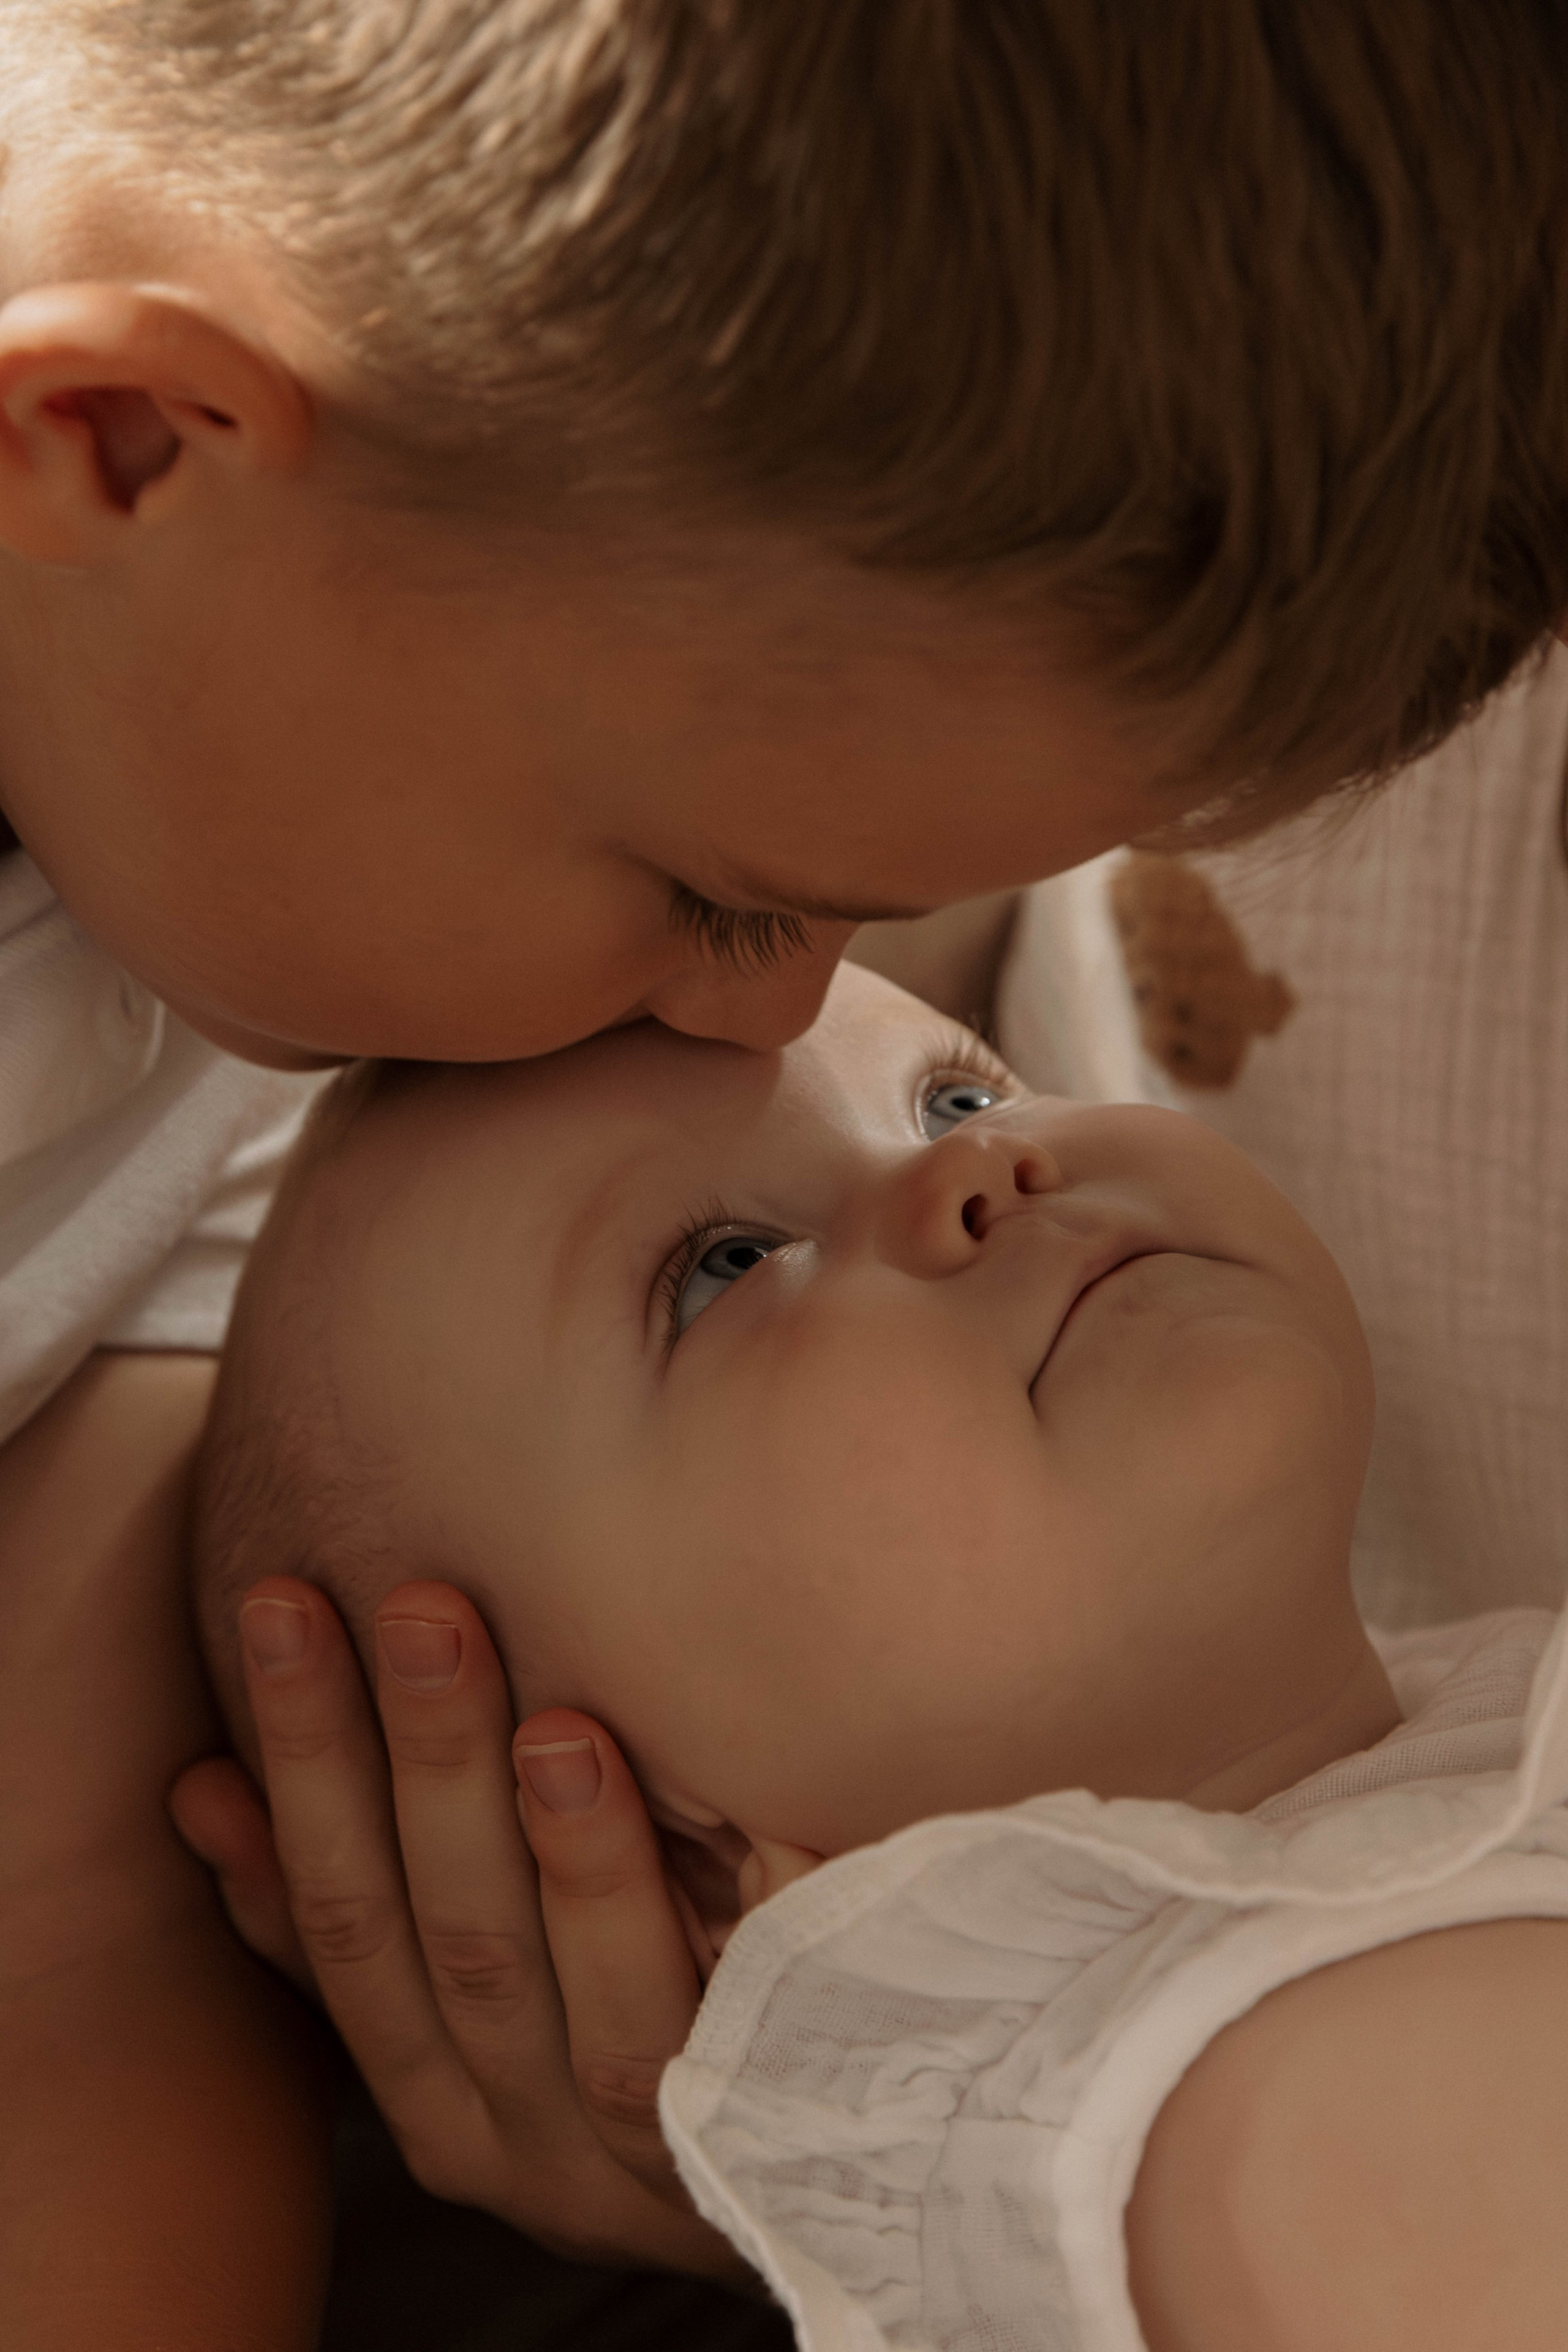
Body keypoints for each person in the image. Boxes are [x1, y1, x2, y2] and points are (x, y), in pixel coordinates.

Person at [7, 3, 1568, 2339]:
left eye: (955, 1086)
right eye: (722, 1266)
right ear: (127, 443)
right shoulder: (1260, 2094)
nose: (769, 1011)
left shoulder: (334, 888)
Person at [190, 963, 1568, 2351]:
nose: (978, 1161)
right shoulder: (1273, 2123)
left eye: (952, 1092)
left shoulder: (1402, 1818)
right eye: (723, 1268)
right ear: (634, 1840)